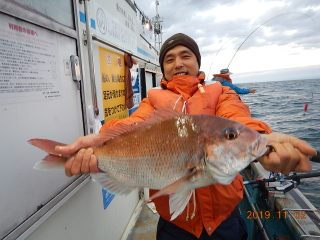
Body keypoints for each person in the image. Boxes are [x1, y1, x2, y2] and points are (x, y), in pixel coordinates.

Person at [55, 33, 315, 240]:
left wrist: (262, 140)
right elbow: (133, 123)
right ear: (163, 69)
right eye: (169, 59)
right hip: (174, 226)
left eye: (185, 56)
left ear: (197, 62)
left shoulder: (221, 93)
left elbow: (237, 120)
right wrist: (98, 142)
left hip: (225, 221)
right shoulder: (153, 101)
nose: (178, 63)